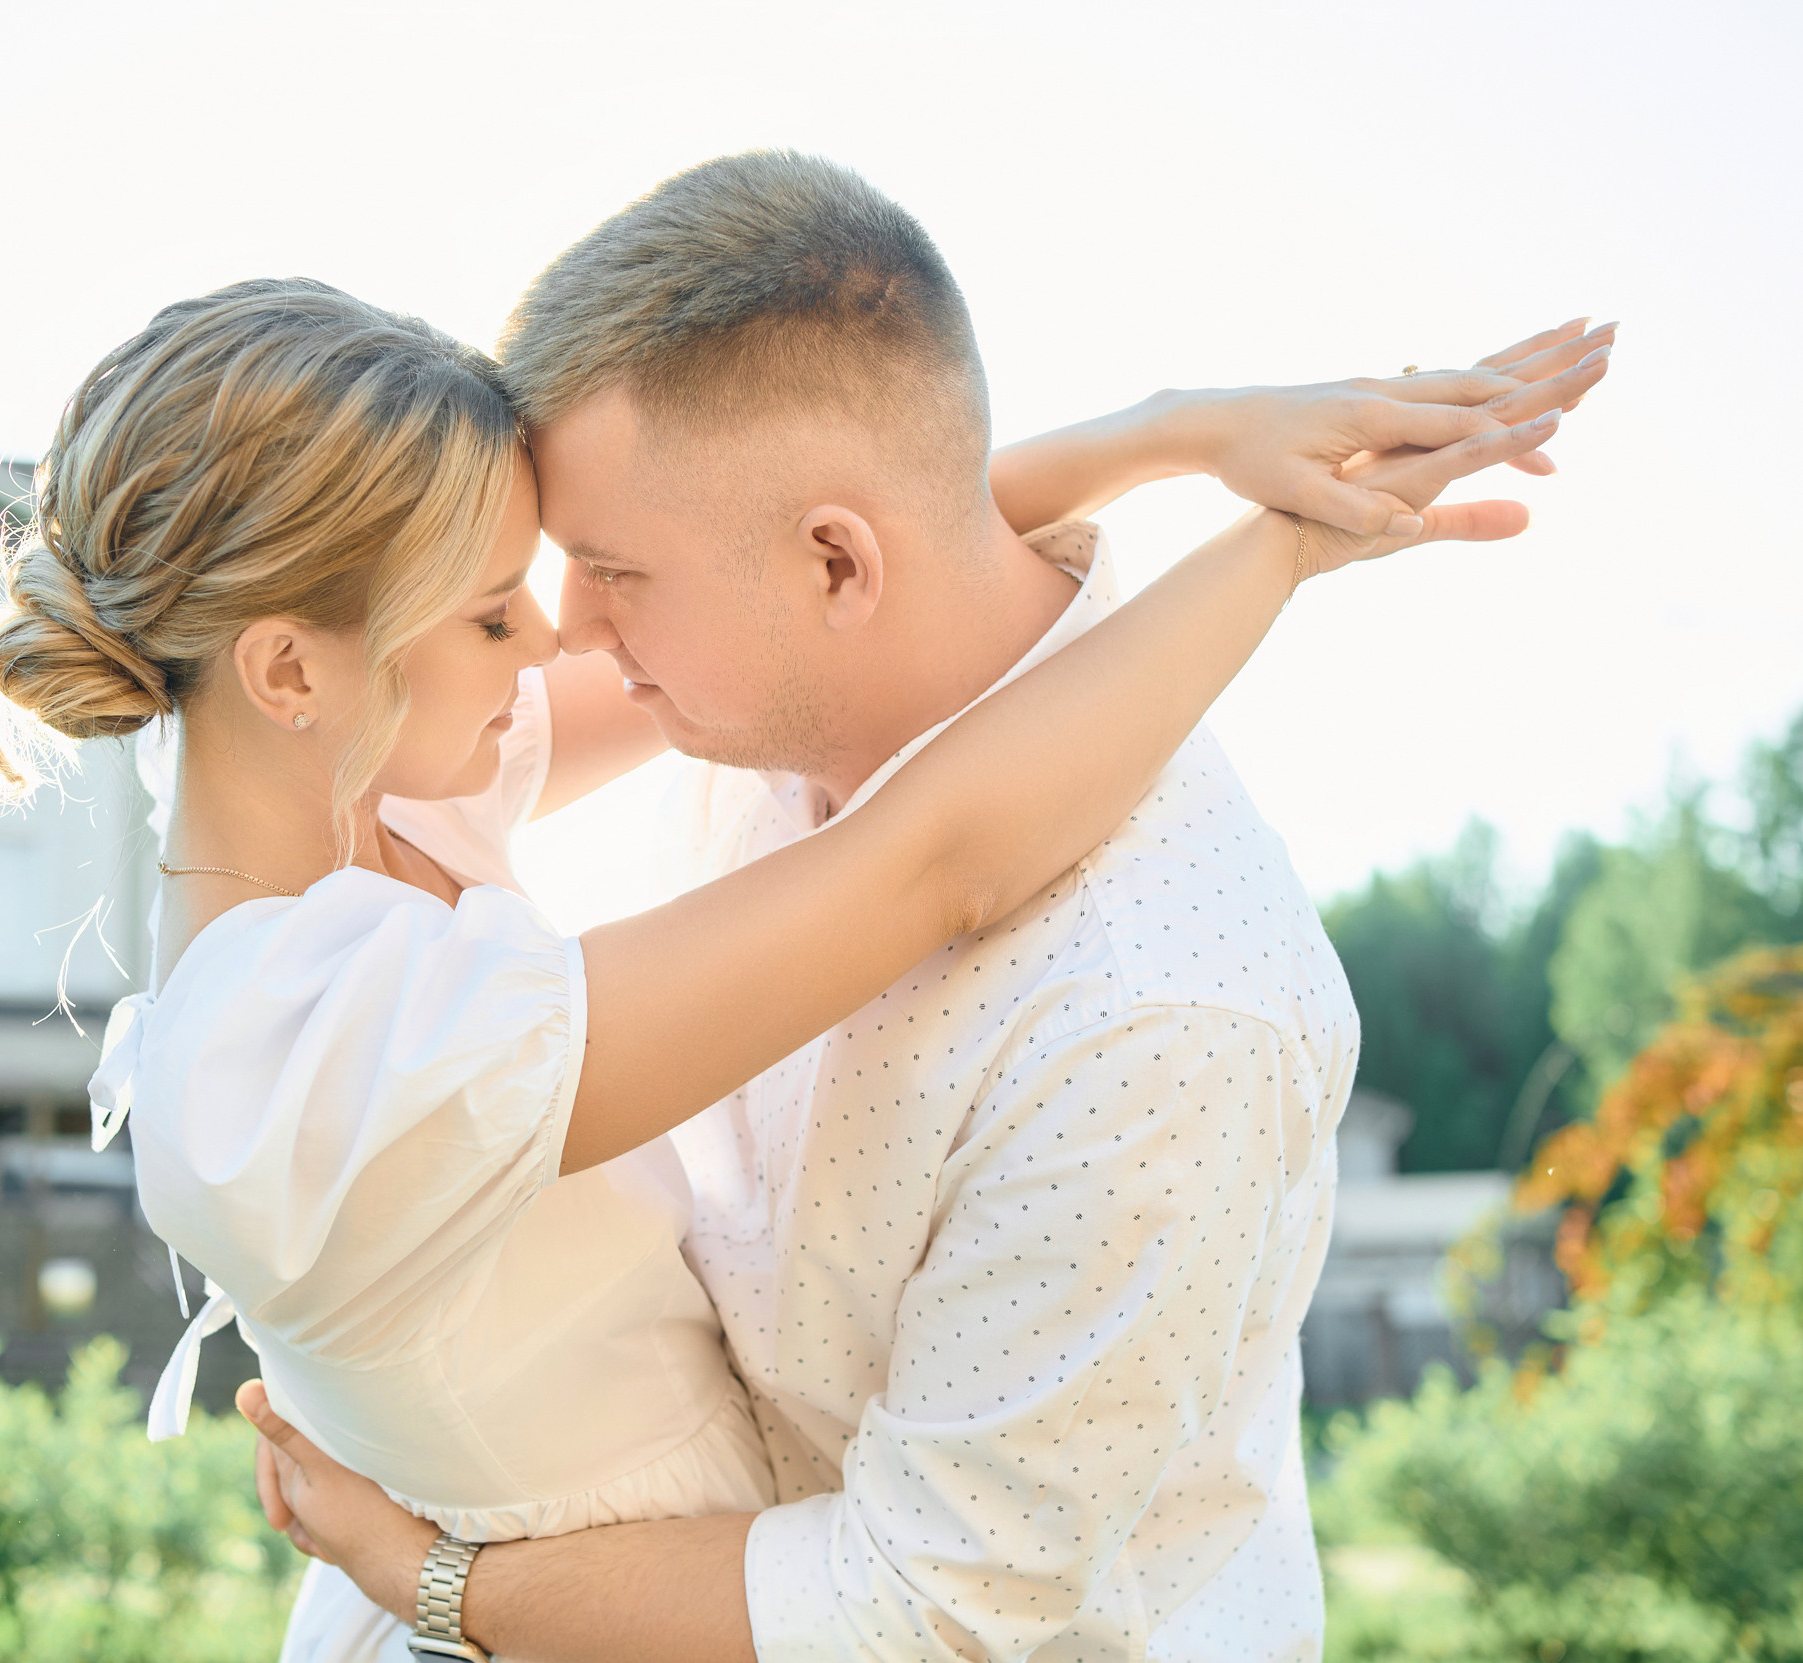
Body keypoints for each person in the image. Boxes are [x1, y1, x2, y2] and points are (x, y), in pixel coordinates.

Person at [227, 154, 1613, 1663]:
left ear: (835, 562)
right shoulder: (724, 711)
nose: (571, 628)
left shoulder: (1160, 1010)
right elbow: (912, 571)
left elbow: (925, 1607)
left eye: (614, 570)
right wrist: (1169, 436)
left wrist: (435, 1588)